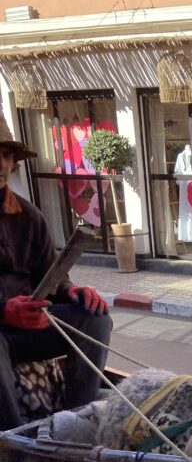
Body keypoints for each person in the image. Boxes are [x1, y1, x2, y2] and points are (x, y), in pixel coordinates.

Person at [0, 112, 112, 429]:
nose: (2, 165)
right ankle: (13, 440)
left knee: (95, 317)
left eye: (6, 155)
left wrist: (71, 290)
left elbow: (51, 274)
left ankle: (76, 420)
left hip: (28, 327)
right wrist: (4, 312)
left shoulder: (29, 215)